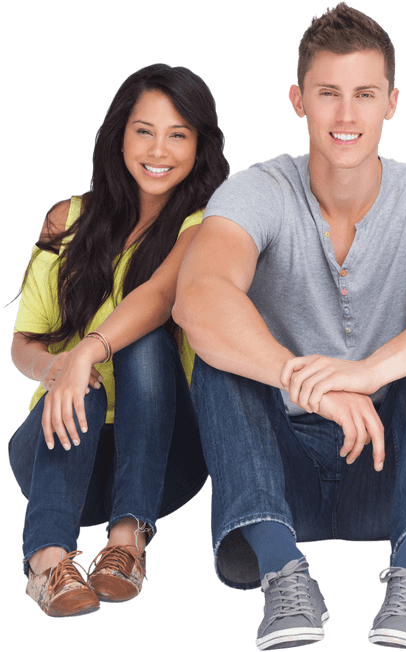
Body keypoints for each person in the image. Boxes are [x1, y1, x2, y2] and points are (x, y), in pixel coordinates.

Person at [172, 4, 406, 651]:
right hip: (278, 472)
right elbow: (200, 294)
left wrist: (368, 372)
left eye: (364, 95)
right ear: (299, 100)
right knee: (218, 351)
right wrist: (306, 384)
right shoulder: (256, 189)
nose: (347, 116)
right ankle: (281, 572)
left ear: (392, 102)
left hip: (395, 469)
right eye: (329, 94)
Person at [8, 63, 228, 618]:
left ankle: (126, 542)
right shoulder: (67, 218)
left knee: (143, 340)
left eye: (178, 134)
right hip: (58, 453)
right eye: (144, 130)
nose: (159, 149)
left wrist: (88, 350)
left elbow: (156, 296)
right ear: (119, 135)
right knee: (78, 388)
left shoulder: (205, 225)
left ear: (199, 146)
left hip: (159, 460)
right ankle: (49, 561)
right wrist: (62, 370)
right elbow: (23, 345)